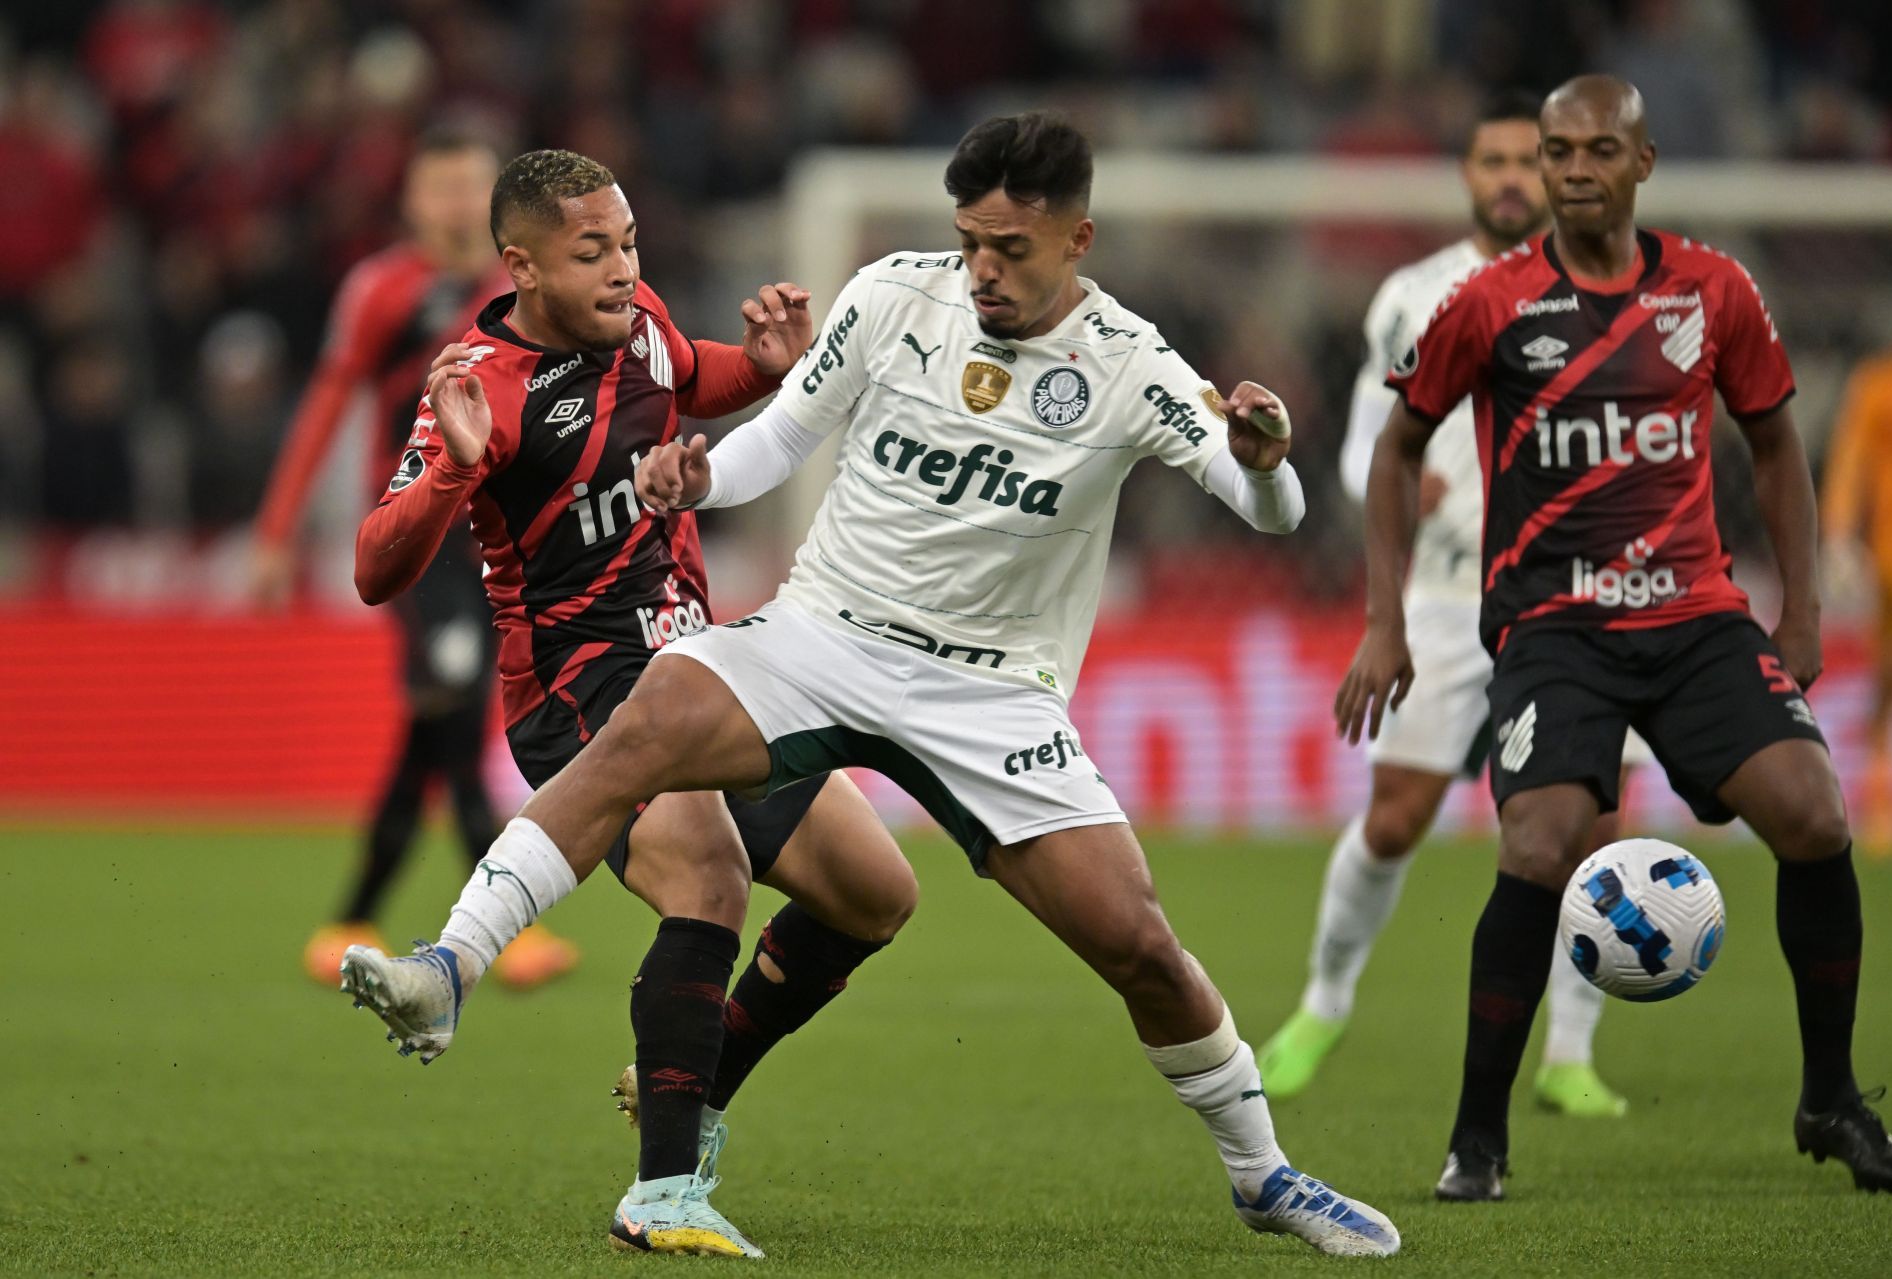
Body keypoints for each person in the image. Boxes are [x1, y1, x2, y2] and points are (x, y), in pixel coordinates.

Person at [343, 112, 1401, 1258]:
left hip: (993, 692)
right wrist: (693, 482)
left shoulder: (1132, 364)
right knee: (666, 755)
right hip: (818, 633)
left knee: (1086, 931)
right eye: (970, 241)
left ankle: (1263, 1173)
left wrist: (1266, 464)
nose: (983, 269)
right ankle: (461, 975)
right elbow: (780, 439)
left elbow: (1268, 512)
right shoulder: (897, 293)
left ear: (1078, 239)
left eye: (1011, 248)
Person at [1336, 74, 1892, 1200]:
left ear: (1644, 162)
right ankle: (1477, 1138)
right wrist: (1385, 621)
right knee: (1541, 847)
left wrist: (1798, 607)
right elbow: (1397, 453)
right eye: (1557, 153)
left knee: (1814, 813)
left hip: (1698, 616)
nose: (1574, 171)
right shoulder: (1489, 302)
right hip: (1556, 628)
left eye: (1600, 150)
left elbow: (1778, 445)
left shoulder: (1714, 290)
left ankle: (1832, 1100)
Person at [339, 149, 921, 1257]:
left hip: (698, 662)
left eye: (630, 243)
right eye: (591, 251)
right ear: (523, 266)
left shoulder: (640, 318)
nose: (621, 268)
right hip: (579, 684)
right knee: (709, 868)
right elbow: (374, 566)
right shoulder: (480, 384)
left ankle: (691, 1093)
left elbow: (693, 374)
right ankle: (660, 1195)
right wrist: (456, 474)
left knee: (873, 892)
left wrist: (758, 368)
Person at [1259, 92, 1636, 1119]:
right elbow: (1362, 441)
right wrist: (1373, 486)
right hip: (1442, 587)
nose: (1514, 177)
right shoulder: (1414, 294)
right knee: (1396, 817)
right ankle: (1323, 1004)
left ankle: (1569, 1050)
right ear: (1468, 175)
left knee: (1594, 826)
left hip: (1575, 590)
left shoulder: (1613, 283)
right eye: (1494, 160)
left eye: (1531, 159)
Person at [249, 129, 576, 989]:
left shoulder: (522, 286)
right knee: (458, 698)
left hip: (508, 534)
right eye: (442, 189)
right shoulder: (381, 289)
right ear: (412, 201)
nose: (459, 204)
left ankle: (352, 914)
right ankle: (511, 927)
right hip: (420, 534)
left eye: (473, 186)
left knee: (438, 721)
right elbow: (328, 400)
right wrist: (277, 529)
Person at [1821, 296, 1892, 857]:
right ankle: (1882, 799)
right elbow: (1851, 461)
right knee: (1889, 678)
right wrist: (1838, 537)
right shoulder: (1881, 384)